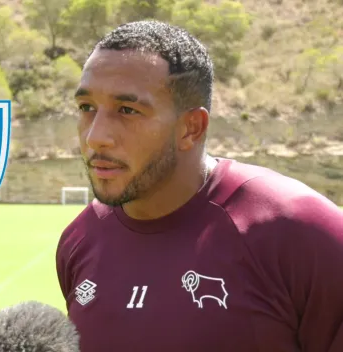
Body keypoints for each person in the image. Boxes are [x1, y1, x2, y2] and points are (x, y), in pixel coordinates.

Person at [55, 20, 343, 352]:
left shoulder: (299, 230)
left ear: (192, 128)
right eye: (87, 108)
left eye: (127, 110)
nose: (96, 137)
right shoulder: (80, 241)